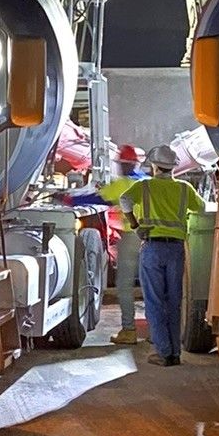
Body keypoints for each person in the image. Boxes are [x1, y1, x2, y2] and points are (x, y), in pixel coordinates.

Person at [120, 144, 205, 366]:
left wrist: (135, 226)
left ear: (155, 165)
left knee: (155, 302)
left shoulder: (144, 187)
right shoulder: (185, 189)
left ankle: (164, 352)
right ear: (174, 168)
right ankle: (175, 353)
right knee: (174, 301)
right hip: (176, 249)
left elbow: (124, 200)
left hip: (152, 248)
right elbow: (202, 208)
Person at [64, 143, 147, 342]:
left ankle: (128, 330)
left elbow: (95, 198)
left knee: (124, 285)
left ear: (124, 165)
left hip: (131, 238)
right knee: (150, 286)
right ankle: (154, 331)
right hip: (151, 238)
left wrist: (67, 199)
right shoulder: (147, 182)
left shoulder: (122, 185)